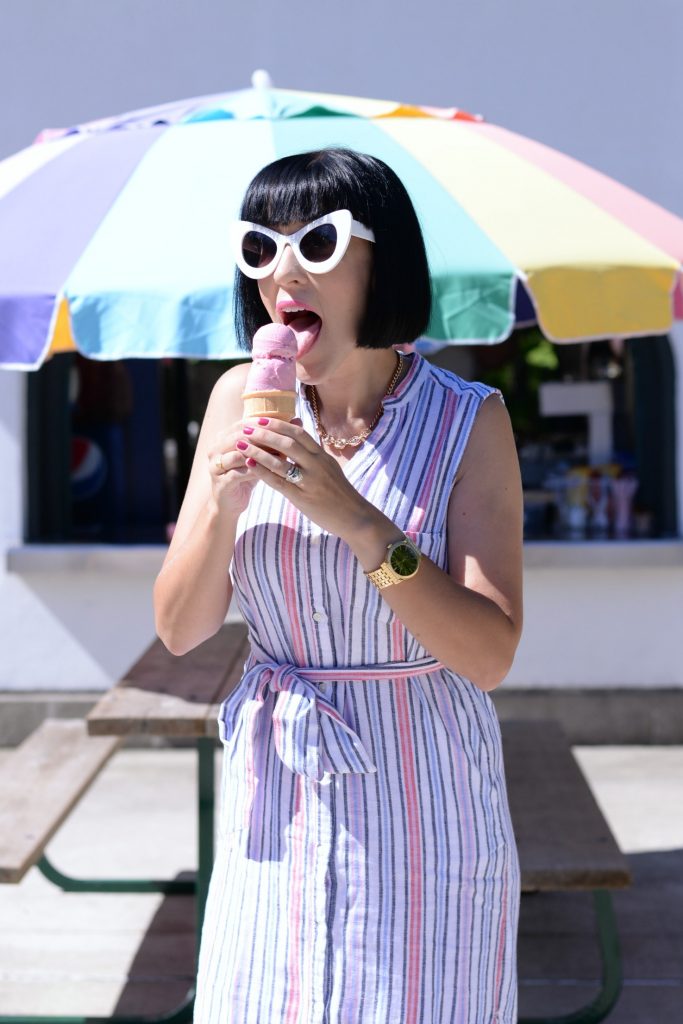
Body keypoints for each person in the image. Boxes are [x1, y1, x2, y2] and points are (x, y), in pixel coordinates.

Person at [153, 147, 523, 1024]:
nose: (283, 272)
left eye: (315, 243)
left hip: (421, 794)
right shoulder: (237, 399)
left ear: (379, 260)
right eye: (260, 247)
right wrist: (219, 500)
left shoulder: (470, 421)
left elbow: (489, 652)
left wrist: (355, 517)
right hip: (272, 800)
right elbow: (179, 628)